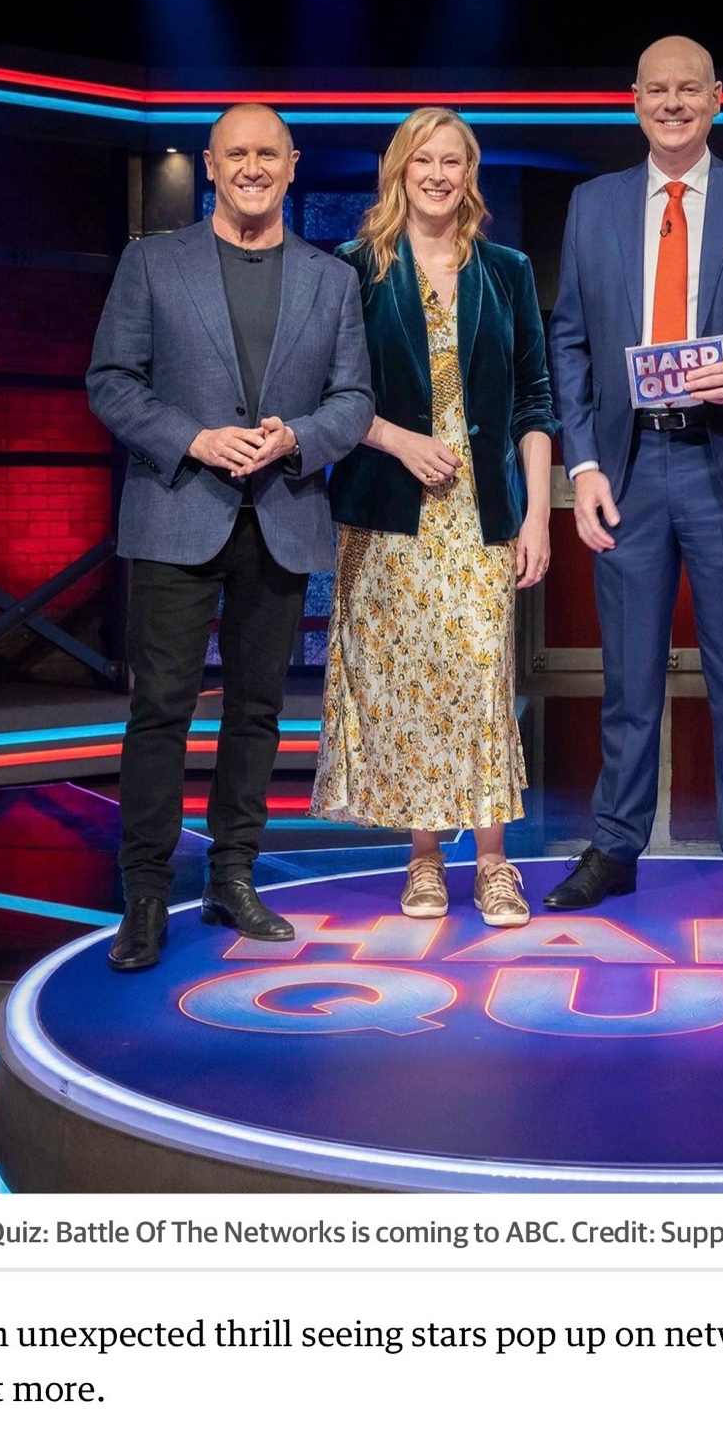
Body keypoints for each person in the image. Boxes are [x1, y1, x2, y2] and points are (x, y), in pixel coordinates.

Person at [88, 102, 375, 971]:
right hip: (177, 510)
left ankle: (233, 875)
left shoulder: (332, 279)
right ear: (211, 166)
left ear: (292, 165)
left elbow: (353, 401)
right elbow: (111, 380)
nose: (252, 167)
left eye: (267, 154)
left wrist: (296, 438)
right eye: (236, 153)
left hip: (281, 518)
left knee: (257, 711)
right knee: (160, 710)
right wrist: (195, 439)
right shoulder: (151, 262)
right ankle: (145, 892)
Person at [545, 35, 723, 916]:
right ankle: (615, 845)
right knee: (629, 676)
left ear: (717, 98)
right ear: (634, 101)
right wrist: (584, 463)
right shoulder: (592, 205)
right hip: (627, 469)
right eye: (656, 90)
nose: (672, 103)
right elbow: (570, 341)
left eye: (688, 89)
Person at [310, 108, 556, 928]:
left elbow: (535, 402)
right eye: (425, 160)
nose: (439, 175)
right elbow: (326, 396)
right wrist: (396, 439)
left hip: (480, 516)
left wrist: (537, 517)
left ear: (469, 173)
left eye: (454, 161)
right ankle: (422, 858)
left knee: (480, 680)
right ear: (400, 170)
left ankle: (492, 863)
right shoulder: (354, 269)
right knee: (409, 691)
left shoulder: (507, 270)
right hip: (387, 513)